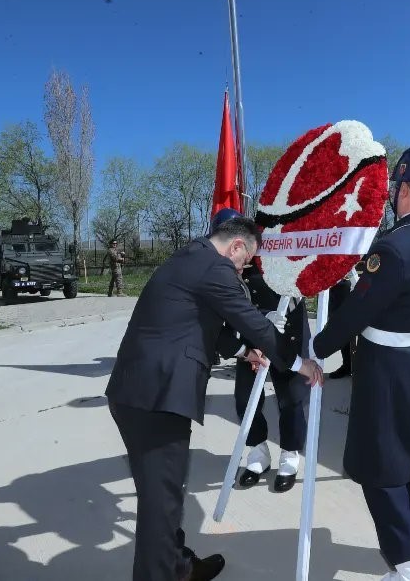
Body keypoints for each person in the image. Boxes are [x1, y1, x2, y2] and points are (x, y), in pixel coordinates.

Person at [105, 216, 324, 581]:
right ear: (236, 247)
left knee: (161, 497)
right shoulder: (214, 267)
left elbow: (207, 326)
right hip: (157, 398)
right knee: (162, 504)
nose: (241, 270)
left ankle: (178, 565)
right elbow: (251, 320)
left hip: (136, 391)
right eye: (243, 261)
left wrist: (245, 353)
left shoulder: (190, 257)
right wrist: (299, 363)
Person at [309, 145, 410, 580]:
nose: (392, 194)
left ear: (406, 188)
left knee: (383, 470)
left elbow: (355, 316)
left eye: (396, 187)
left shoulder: (395, 248)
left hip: (389, 369)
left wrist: (314, 349)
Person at [210, 208, 310, 493]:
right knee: (244, 398)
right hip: (252, 339)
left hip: (286, 333)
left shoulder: (274, 253)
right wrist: (248, 343)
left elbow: (299, 288)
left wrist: (273, 318)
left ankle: (290, 454)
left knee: (290, 397)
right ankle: (258, 452)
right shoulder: (220, 265)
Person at [326, 275, 354, 379]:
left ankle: (357, 366)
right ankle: (348, 365)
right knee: (340, 327)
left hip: (352, 279)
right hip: (335, 283)